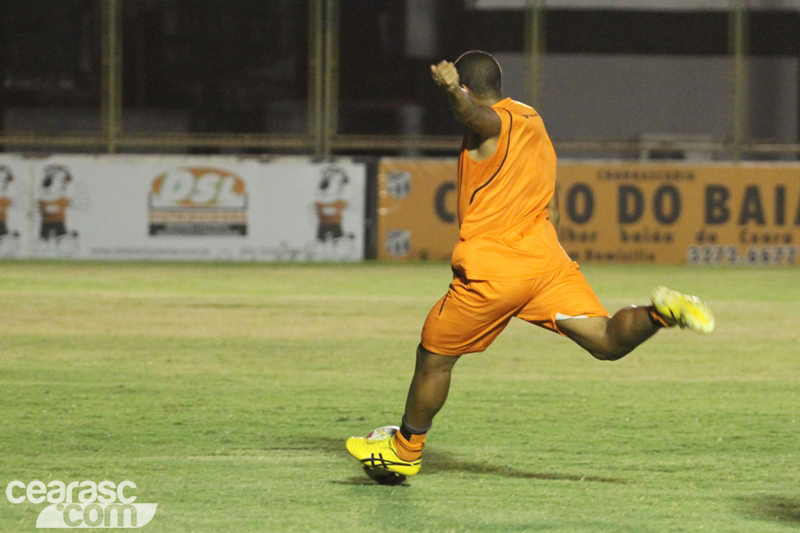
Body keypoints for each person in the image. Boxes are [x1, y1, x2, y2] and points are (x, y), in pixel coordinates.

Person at [346, 51, 714, 478]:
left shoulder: (492, 123)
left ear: (468, 86)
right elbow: (553, 206)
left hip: (495, 270)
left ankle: (405, 450)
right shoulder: (532, 120)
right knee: (606, 340)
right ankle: (660, 314)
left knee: (434, 359)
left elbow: (472, 116)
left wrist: (452, 93)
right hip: (544, 260)